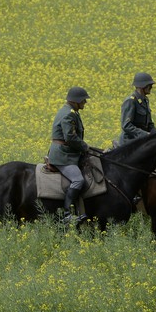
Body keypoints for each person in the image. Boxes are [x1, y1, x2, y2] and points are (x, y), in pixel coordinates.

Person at [48, 86, 91, 222]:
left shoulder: (71, 111)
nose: (85, 103)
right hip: (63, 156)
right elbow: (70, 138)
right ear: (76, 101)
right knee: (78, 180)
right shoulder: (69, 114)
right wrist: (85, 147)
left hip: (69, 153)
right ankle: (67, 214)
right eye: (83, 100)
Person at [117, 73, 156, 147]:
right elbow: (126, 126)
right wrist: (145, 134)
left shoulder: (145, 100)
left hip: (142, 140)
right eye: (149, 85)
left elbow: (149, 124)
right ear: (142, 86)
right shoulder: (131, 101)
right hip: (130, 141)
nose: (151, 87)